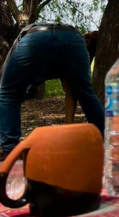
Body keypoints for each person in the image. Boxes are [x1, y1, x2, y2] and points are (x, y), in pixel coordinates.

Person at [0, 23, 105, 160]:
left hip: (35, 37)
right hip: (72, 39)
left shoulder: (25, 42)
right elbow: (72, 93)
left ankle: (10, 149)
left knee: (8, 94)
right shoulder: (66, 59)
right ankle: (105, 140)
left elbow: (6, 86)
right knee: (86, 94)